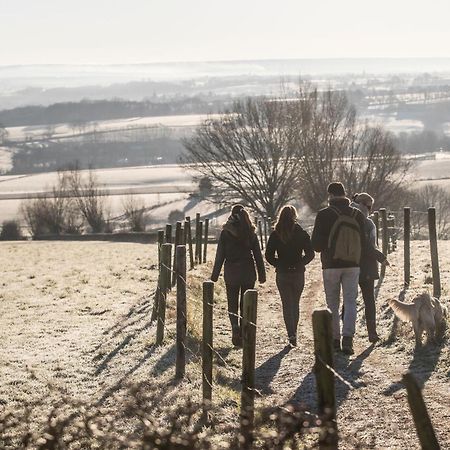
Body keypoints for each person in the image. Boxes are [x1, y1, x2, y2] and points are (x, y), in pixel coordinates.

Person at [311, 182, 366, 355]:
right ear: (344, 194)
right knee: (351, 302)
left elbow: (316, 245)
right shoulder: (357, 214)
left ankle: (335, 340)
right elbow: (363, 242)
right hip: (353, 265)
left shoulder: (324, 214)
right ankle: (348, 339)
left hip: (330, 265)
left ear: (331, 195)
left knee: (332, 303)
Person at [211, 204, 266, 347]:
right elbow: (258, 256)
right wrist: (262, 274)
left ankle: (235, 326)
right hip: (248, 272)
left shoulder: (225, 233)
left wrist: (214, 276)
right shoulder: (250, 232)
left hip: (231, 273)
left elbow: (220, 256)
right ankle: (243, 331)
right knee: (245, 303)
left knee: (232, 303)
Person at [265, 205, 314, 347]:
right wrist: (301, 263)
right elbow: (311, 254)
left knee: (287, 304)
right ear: (294, 216)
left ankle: (291, 334)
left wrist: (278, 264)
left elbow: (268, 255)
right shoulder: (301, 233)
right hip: (298, 273)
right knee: (295, 303)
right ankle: (295, 332)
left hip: (282, 273)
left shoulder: (276, 234)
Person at [351, 192, 389, 343]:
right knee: (369, 300)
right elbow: (368, 246)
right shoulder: (367, 223)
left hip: (349, 263)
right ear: (362, 205)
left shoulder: (347, 218)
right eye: (369, 206)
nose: (371, 210)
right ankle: (372, 333)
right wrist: (381, 257)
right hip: (366, 265)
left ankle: (345, 332)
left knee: (349, 299)